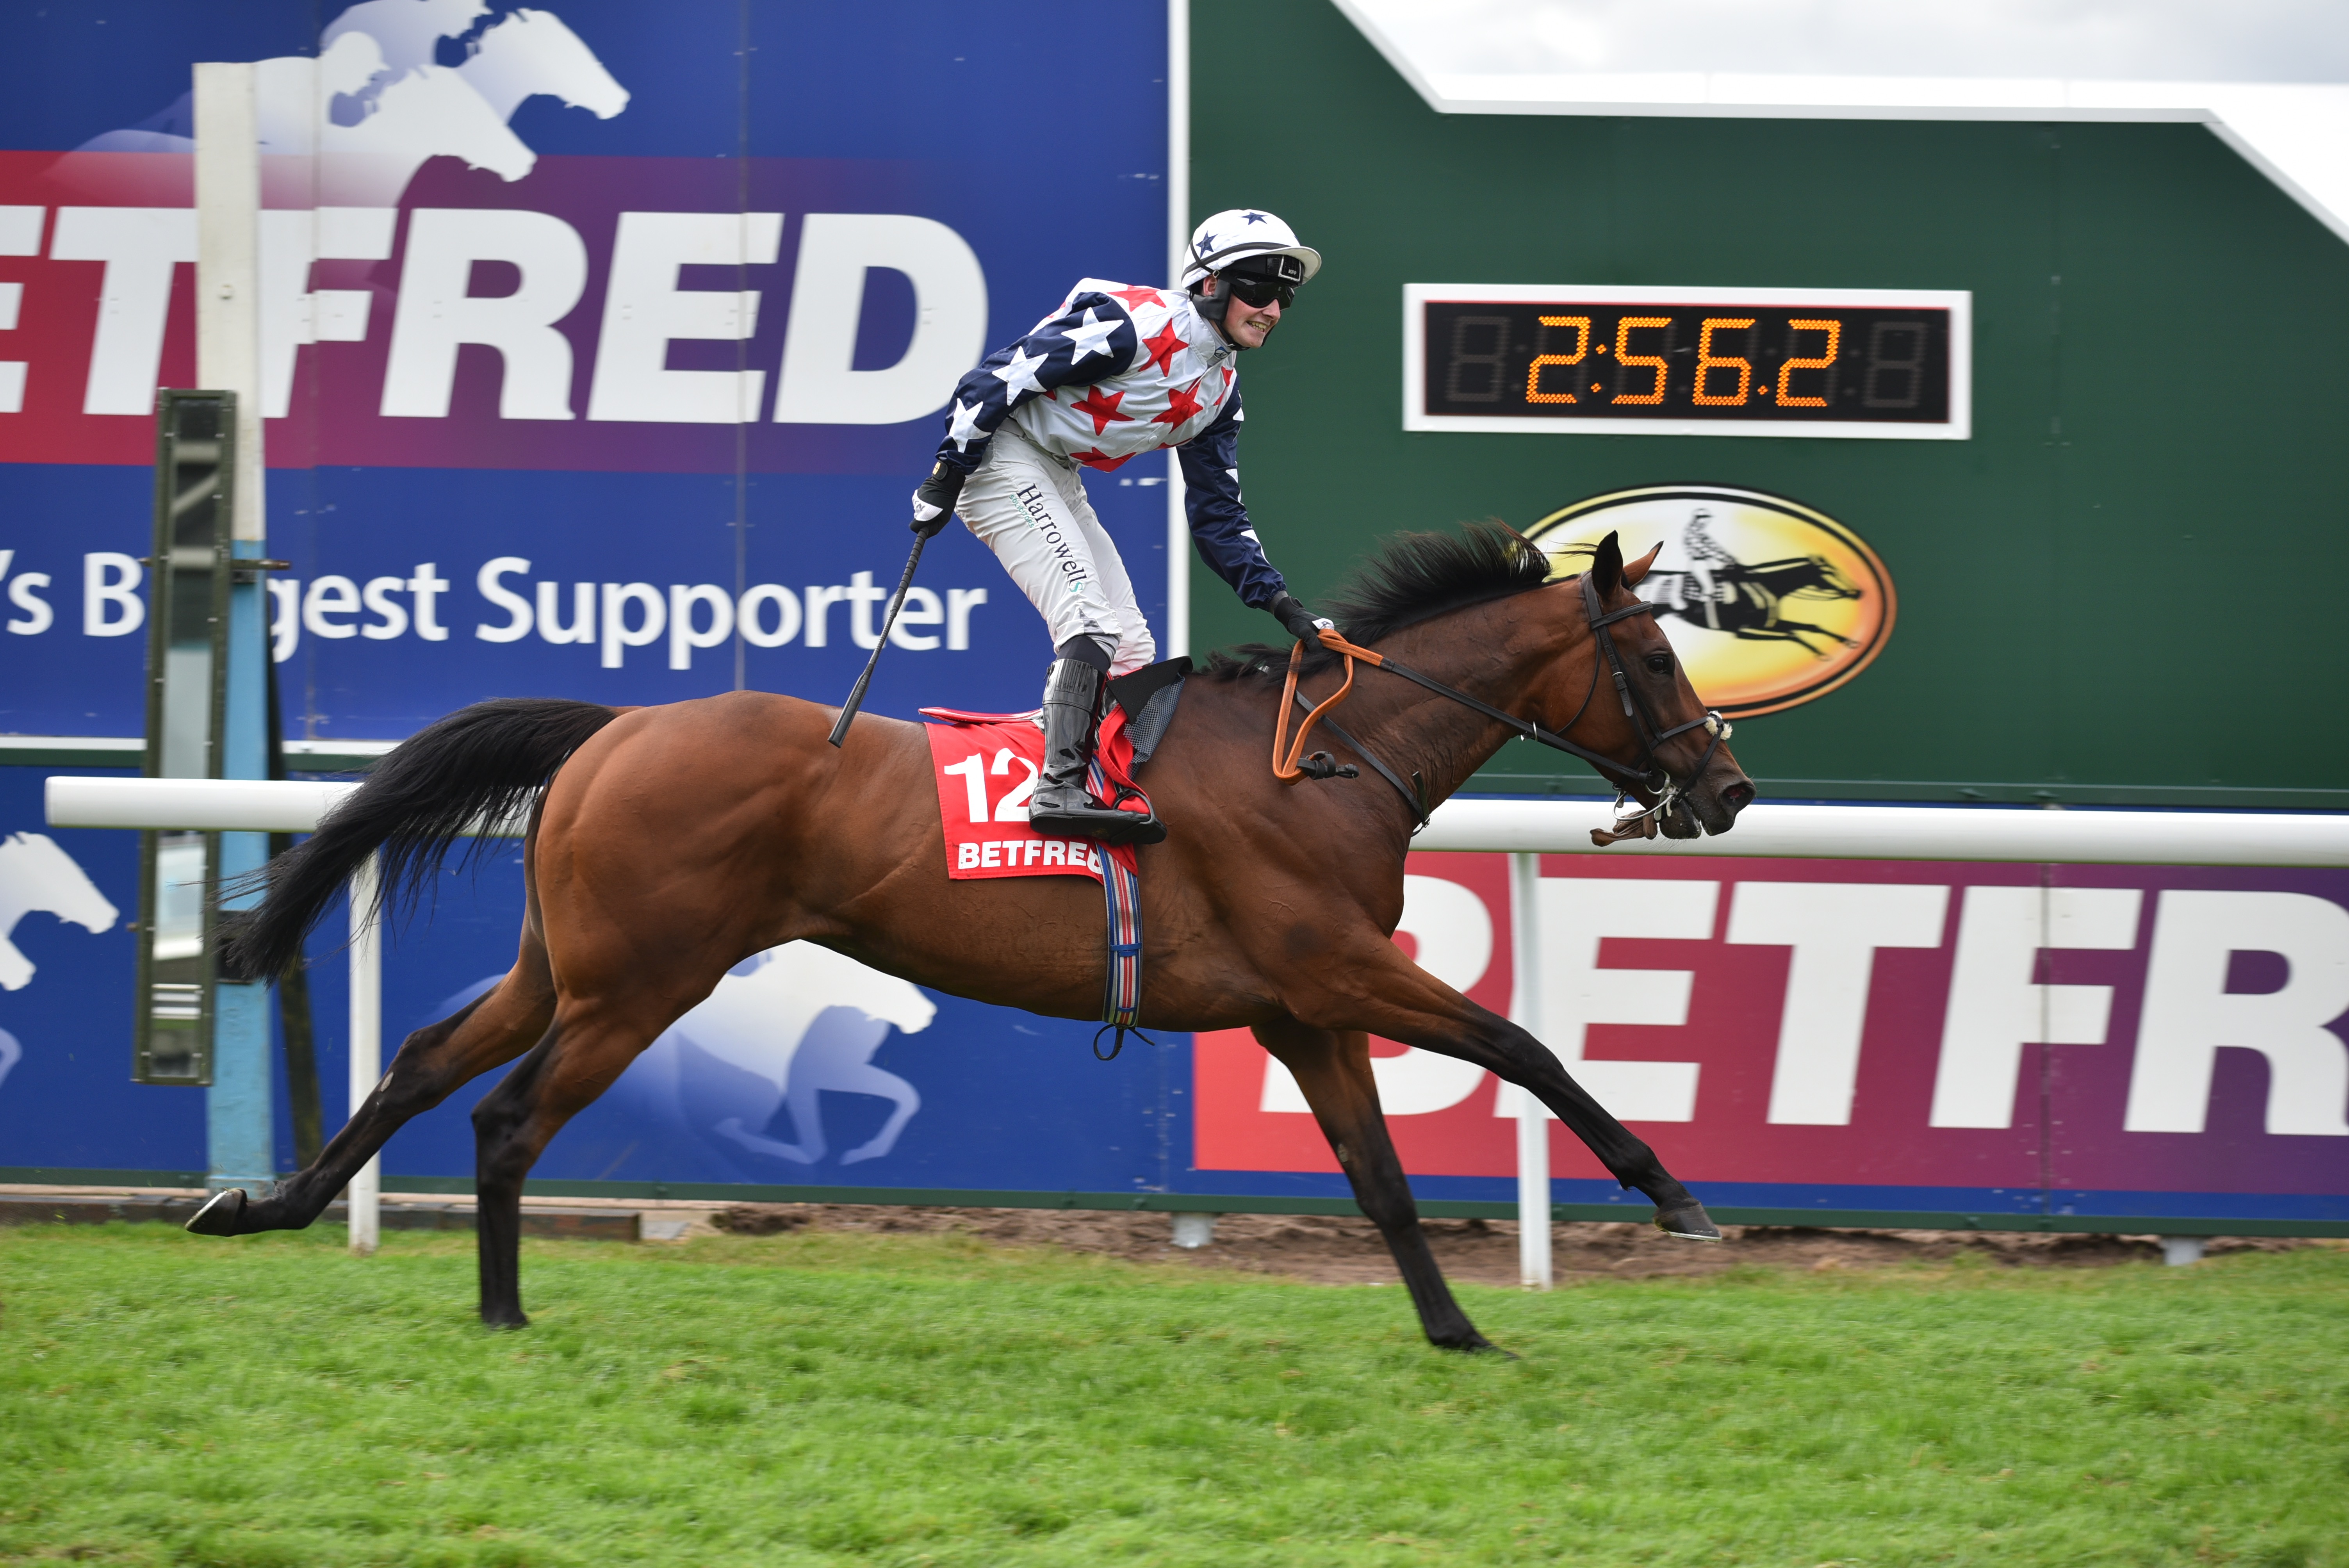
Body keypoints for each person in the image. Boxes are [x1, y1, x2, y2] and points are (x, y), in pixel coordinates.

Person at [908, 209, 1331, 846]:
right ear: (1210, 283)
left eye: (1285, 296)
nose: (1273, 308)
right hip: (999, 456)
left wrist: (1284, 606)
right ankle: (1058, 788)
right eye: (1261, 288)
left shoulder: (1220, 395)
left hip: (1054, 468)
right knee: (1089, 624)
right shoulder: (1132, 323)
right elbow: (990, 383)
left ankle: (1101, 779)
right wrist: (946, 476)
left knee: (1132, 649)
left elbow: (1219, 517)